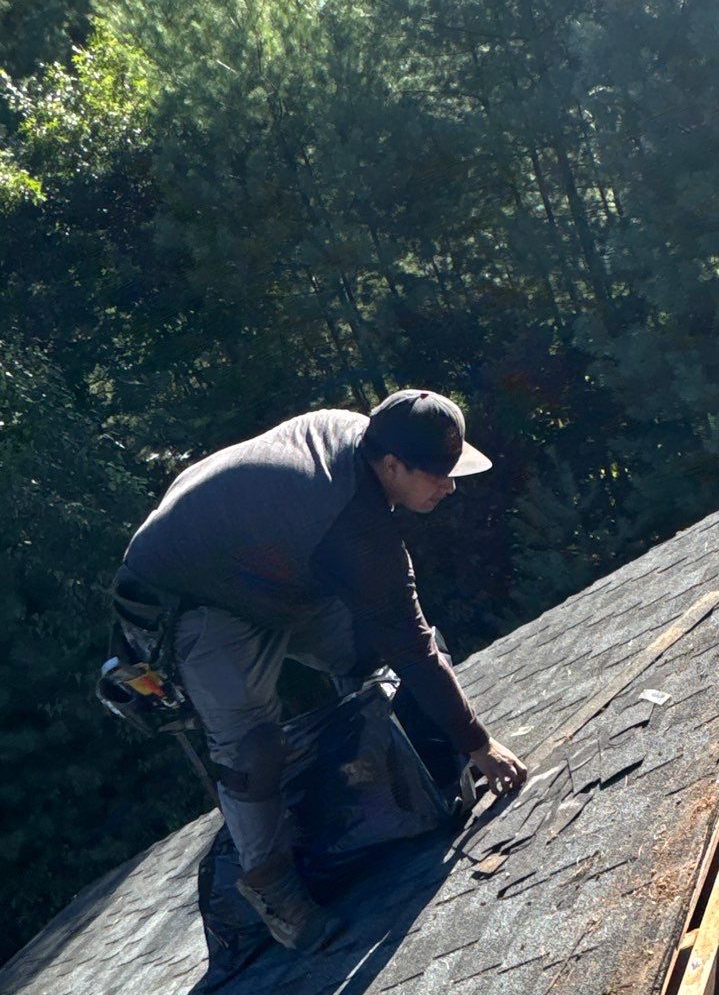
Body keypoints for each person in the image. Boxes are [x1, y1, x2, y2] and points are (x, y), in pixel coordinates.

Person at [115, 390, 527, 950]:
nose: (450, 486)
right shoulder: (351, 525)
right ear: (391, 466)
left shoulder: (364, 438)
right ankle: (271, 889)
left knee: (365, 657)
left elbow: (390, 635)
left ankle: (387, 779)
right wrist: (479, 743)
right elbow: (413, 646)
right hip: (190, 594)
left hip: (275, 570)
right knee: (253, 747)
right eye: (438, 475)